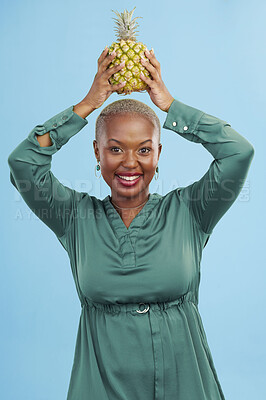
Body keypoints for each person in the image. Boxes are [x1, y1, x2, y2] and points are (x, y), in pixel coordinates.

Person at [8, 47, 254, 400]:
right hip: (101, 386)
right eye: (116, 148)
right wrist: (86, 105)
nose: (130, 163)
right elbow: (24, 163)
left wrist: (170, 105)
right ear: (97, 152)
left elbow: (238, 152)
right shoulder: (73, 216)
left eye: (143, 149)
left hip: (184, 383)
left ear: (158, 153)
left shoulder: (191, 210)